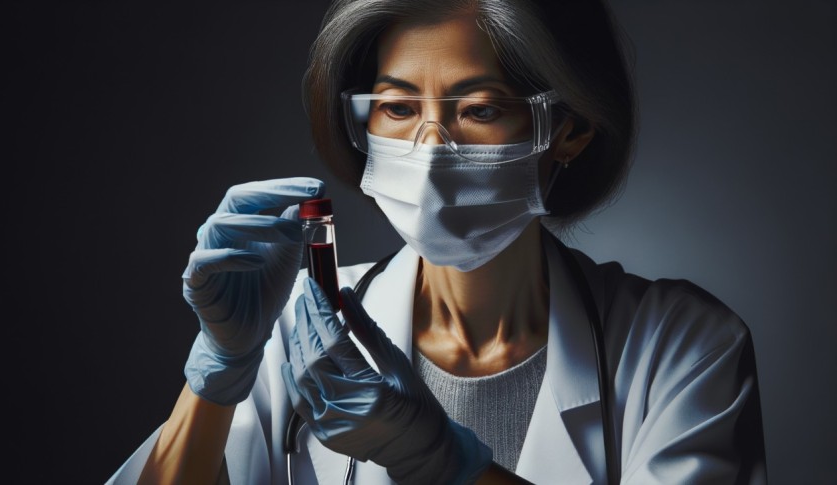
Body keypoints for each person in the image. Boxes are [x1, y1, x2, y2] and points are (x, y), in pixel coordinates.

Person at [107, 0, 767, 483]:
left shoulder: (684, 346)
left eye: (478, 108)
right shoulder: (296, 326)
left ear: (569, 127)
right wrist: (218, 371)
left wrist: (441, 461)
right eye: (397, 107)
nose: (429, 151)